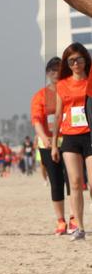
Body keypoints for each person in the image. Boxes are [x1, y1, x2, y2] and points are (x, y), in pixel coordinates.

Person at [51, 43, 92, 241]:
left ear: (85, 60)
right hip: (69, 137)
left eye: (79, 59)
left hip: (89, 135)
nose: (76, 64)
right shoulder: (62, 84)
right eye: (71, 61)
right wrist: (54, 144)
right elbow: (58, 115)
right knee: (75, 183)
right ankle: (80, 227)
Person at [31, 56, 74, 235]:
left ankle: (74, 217)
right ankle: (60, 220)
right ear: (47, 73)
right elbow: (36, 119)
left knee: (72, 180)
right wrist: (44, 138)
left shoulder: (70, 91)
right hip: (48, 143)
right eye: (53, 70)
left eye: (60, 70)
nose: (56, 73)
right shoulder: (40, 95)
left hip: (70, 140)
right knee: (56, 182)